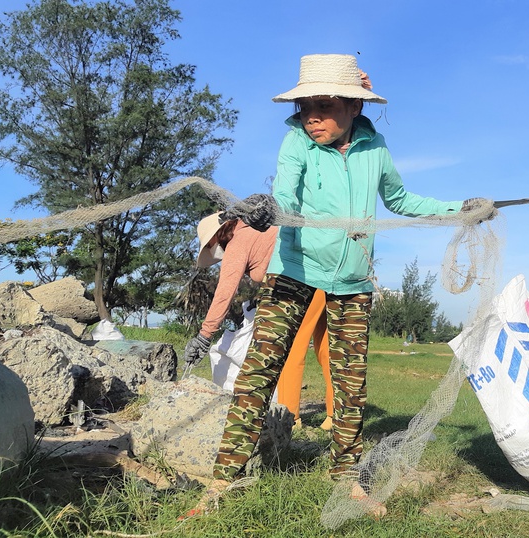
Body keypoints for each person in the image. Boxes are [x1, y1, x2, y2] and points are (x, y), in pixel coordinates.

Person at [191, 54, 495, 517]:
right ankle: (221, 481)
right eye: (307, 104)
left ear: (354, 106)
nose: (313, 115)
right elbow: (287, 193)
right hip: (293, 271)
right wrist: (269, 206)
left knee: (351, 384)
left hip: (354, 281)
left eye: (326, 105)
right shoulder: (295, 142)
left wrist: (461, 208)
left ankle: (347, 479)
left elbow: (400, 199)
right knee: (257, 374)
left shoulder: (375, 149)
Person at [183, 213, 335, 425]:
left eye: (209, 245)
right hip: (325, 274)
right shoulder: (256, 229)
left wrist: (204, 335)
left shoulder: (238, 243)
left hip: (302, 283)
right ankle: (336, 416)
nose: (212, 251)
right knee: (326, 348)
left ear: (218, 236)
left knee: (289, 348)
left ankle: (290, 418)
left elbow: (224, 293)